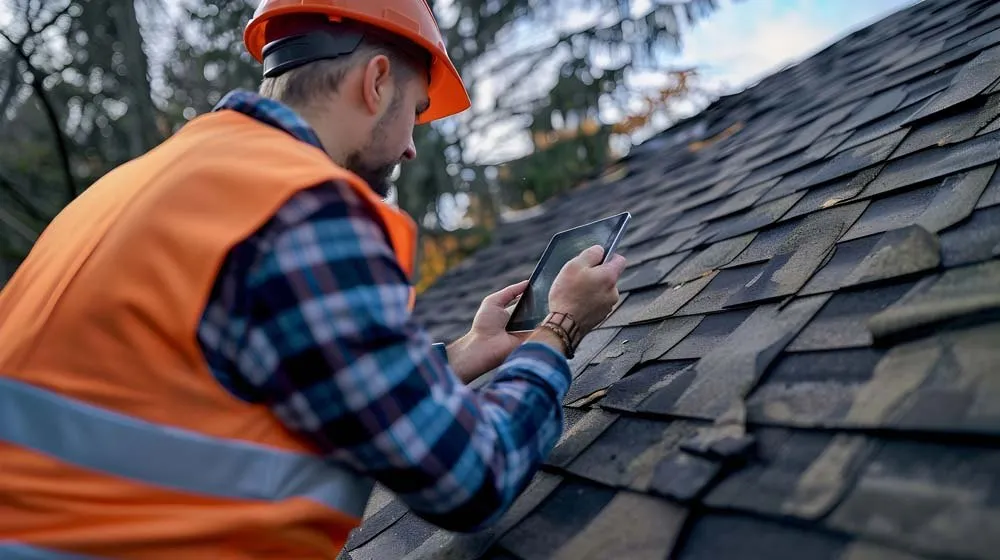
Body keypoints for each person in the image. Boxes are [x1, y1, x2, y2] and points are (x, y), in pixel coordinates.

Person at [0, 0, 626, 557]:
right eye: (415, 110)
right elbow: (470, 478)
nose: (411, 146)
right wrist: (559, 328)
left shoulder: (140, 184)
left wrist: (464, 354)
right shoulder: (301, 203)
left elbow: (251, 381)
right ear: (377, 82)